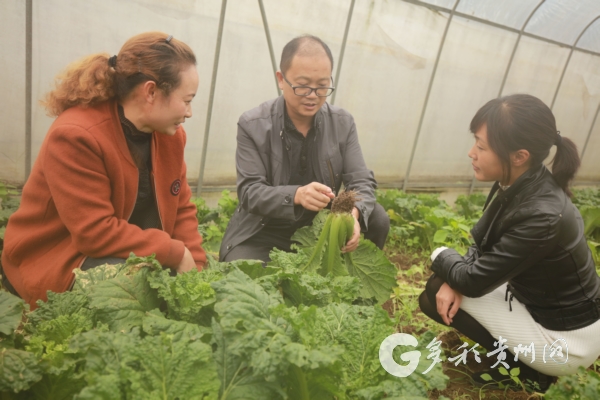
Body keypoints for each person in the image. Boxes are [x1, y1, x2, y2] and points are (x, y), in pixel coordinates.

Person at [1, 32, 206, 308]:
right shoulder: (76, 135)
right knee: (134, 291)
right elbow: (95, 233)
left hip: (130, 251)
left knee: (167, 288)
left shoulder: (171, 137)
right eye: (187, 100)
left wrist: (198, 273)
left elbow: (181, 208)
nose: (190, 112)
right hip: (58, 257)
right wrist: (176, 253)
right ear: (151, 91)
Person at [419, 94, 600, 391]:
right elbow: (484, 244)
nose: (471, 153)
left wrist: (440, 254)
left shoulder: (541, 215)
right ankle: (521, 361)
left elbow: (474, 281)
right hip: (542, 307)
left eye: (481, 146)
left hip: (568, 341)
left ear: (519, 156)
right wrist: (458, 275)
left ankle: (531, 372)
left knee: (437, 289)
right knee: (442, 288)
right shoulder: (521, 182)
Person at [219, 35, 389, 263]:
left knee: (376, 218)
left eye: (322, 86)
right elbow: (250, 193)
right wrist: (296, 195)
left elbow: (361, 182)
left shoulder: (342, 122)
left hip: (321, 226)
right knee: (240, 267)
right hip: (266, 229)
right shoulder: (253, 124)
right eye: (302, 86)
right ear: (281, 79)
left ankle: (348, 286)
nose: (312, 96)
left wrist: (353, 216)